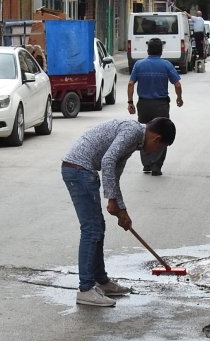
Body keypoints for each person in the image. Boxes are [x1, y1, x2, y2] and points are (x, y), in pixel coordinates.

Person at [62, 117, 177, 307]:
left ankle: (102, 282)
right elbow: (108, 160)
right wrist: (113, 200)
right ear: (156, 139)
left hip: (82, 170)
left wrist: (120, 208)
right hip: (78, 170)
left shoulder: (134, 140)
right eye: (159, 148)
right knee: (92, 230)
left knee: (98, 227)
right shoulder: (132, 132)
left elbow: (115, 172)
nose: (154, 152)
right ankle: (85, 289)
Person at [127, 38, 184, 176]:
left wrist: (130, 102)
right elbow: (177, 84)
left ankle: (146, 164)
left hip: (144, 105)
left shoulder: (139, 64)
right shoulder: (166, 65)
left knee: (144, 133)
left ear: (148, 50)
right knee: (161, 133)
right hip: (161, 105)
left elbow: (130, 84)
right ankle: (156, 166)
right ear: (161, 51)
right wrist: (179, 98)